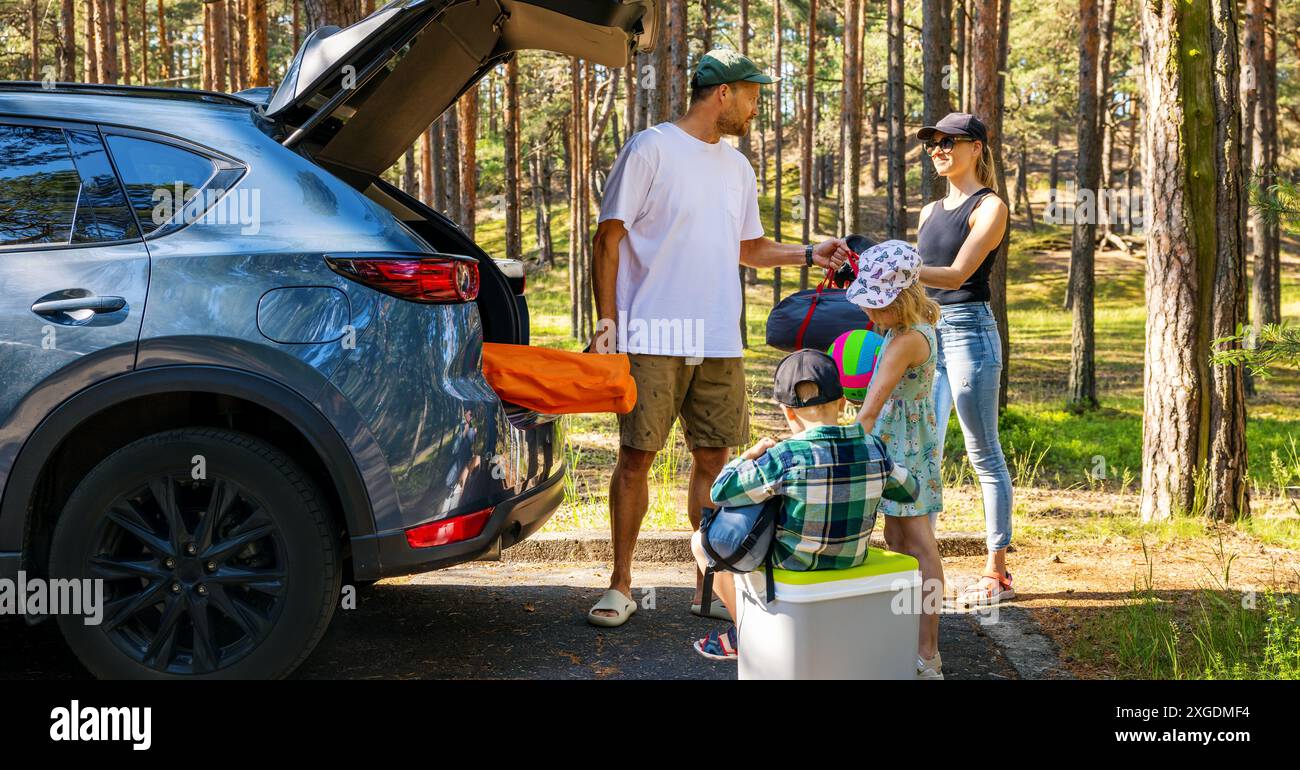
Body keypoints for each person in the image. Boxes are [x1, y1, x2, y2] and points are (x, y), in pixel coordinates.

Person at [585, 49, 853, 627]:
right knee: (637, 458)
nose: (757, 106)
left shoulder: (737, 167)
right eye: (753, 94)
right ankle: (621, 583)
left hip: (717, 337)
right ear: (723, 93)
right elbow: (608, 240)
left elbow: (749, 249)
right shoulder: (650, 148)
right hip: (652, 332)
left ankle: (710, 584)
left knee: (715, 460)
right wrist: (607, 323)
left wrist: (811, 252)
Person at [690, 349, 920, 660]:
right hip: (851, 560)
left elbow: (720, 491)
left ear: (787, 412)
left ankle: (746, 632)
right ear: (841, 402)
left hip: (793, 566)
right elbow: (910, 491)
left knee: (701, 543)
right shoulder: (874, 449)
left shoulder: (784, 457)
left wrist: (749, 455)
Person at [914, 112, 1016, 608]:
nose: (939, 149)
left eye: (949, 141)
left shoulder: (990, 207)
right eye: (933, 142)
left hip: (970, 332)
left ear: (976, 147)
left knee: (983, 454)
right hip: (926, 334)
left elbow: (955, 275)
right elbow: (924, 287)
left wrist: (897, 267)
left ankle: (996, 572)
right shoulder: (929, 211)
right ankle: (922, 560)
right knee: (925, 452)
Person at [848, 240, 947, 679]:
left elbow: (872, 406)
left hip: (902, 450)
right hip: (900, 442)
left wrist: (837, 448)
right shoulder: (907, 327)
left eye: (875, 305)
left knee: (919, 544)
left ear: (900, 299)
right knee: (898, 540)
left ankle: (927, 652)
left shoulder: (906, 339)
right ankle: (904, 637)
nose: (868, 315)